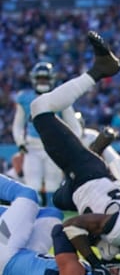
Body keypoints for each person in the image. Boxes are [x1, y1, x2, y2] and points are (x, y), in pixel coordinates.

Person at [28, 30, 120, 268]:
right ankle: (100, 69)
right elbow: (72, 226)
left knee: (58, 200)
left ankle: (93, 144)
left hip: (85, 189)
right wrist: (94, 263)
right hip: (89, 176)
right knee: (39, 108)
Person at [0, 174, 120, 275]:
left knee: (28, 195)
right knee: (51, 215)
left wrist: (94, 258)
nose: (116, 271)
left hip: (5, 253)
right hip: (17, 261)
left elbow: (60, 232)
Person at [12, 61, 83, 206]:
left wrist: (69, 145)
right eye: (40, 78)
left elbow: (75, 126)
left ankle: (51, 221)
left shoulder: (60, 96)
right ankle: (31, 218)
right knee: (32, 185)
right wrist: (20, 142)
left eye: (45, 78)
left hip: (53, 147)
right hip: (32, 146)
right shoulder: (24, 98)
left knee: (53, 185)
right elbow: (18, 125)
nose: (42, 81)